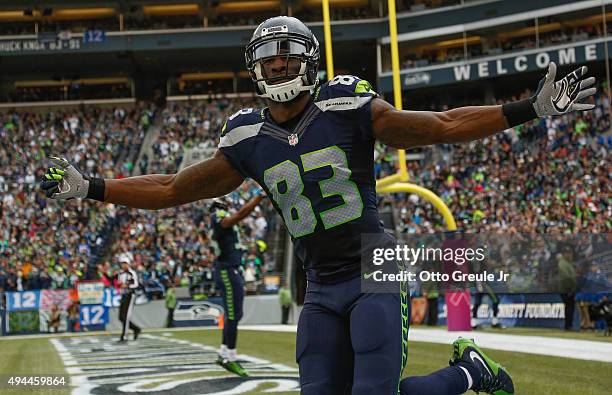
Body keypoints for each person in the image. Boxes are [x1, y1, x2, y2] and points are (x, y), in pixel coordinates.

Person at [39, 16, 596, 395]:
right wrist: (91, 187)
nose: (278, 68)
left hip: (375, 266)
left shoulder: (345, 101)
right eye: (269, 61)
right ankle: (467, 372)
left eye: (287, 59)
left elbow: (441, 125)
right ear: (255, 68)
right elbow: (171, 188)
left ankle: (465, 376)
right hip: (319, 285)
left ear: (307, 62)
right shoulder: (245, 137)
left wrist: (528, 108)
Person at [209, 194, 264, 377]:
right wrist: (256, 200)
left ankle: (224, 352)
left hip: (230, 268)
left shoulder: (220, 217)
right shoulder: (218, 216)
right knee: (233, 314)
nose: (228, 202)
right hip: (226, 269)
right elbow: (236, 217)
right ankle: (231, 357)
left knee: (234, 313)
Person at [117, 255, 141, 342]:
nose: (124, 265)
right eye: (122, 263)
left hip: (131, 295)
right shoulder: (120, 274)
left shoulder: (132, 273)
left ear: (128, 264)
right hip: (123, 296)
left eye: (125, 263)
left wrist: (127, 285)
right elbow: (119, 284)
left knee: (126, 317)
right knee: (120, 317)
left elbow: (136, 284)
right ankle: (136, 329)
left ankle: (124, 336)